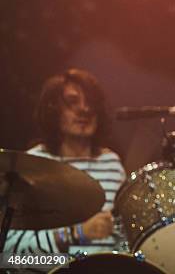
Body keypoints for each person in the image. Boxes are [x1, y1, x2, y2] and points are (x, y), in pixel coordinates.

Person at [4, 69, 126, 256]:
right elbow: (9, 251)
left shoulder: (112, 164)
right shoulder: (31, 164)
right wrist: (76, 234)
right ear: (53, 109)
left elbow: (124, 239)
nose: (84, 109)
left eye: (91, 103)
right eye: (72, 102)